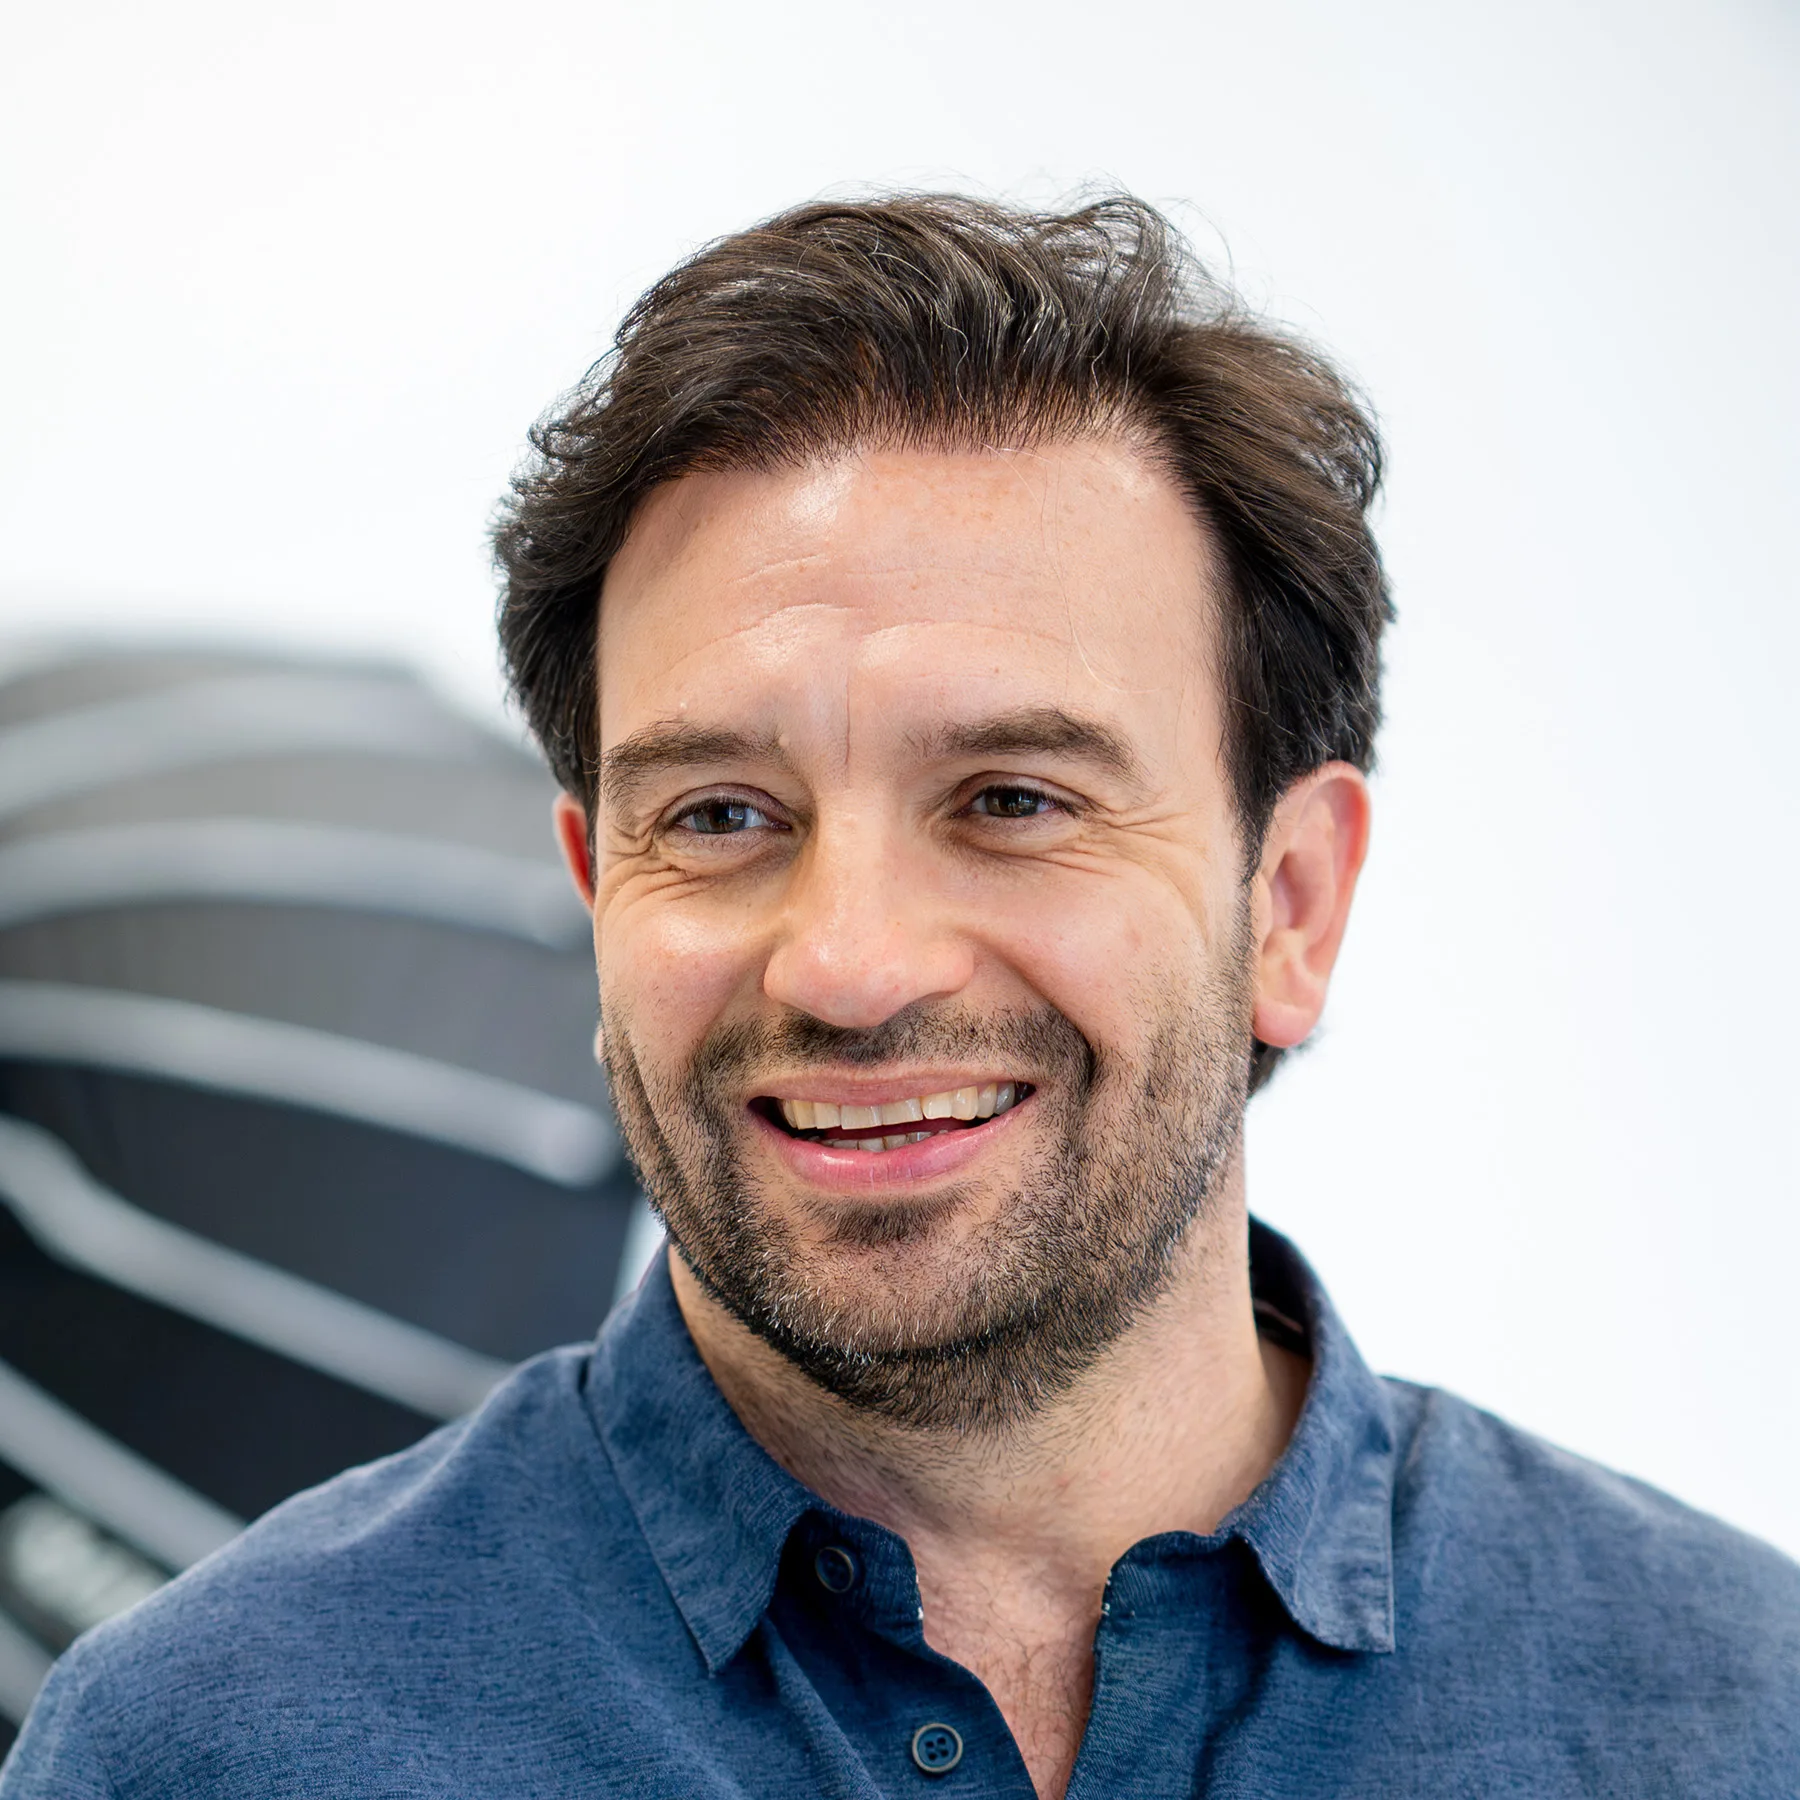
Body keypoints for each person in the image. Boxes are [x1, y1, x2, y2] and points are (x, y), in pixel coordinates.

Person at [3, 193, 1795, 1799]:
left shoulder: (1733, 1720)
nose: (848, 962)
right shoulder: (210, 1753)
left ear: (1293, 902)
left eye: (1013, 800)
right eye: (719, 817)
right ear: (594, 902)